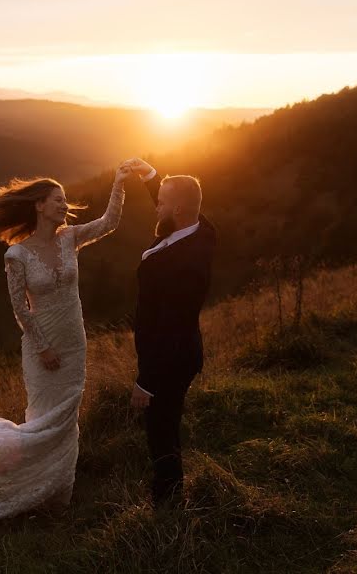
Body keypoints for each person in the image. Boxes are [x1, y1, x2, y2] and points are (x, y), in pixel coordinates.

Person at [0, 167, 131, 527]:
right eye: (57, 200)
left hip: (74, 342)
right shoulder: (17, 254)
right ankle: (25, 487)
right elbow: (19, 309)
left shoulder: (71, 237)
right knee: (43, 419)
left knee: (67, 420)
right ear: (40, 206)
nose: (65, 205)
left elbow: (109, 223)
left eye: (64, 200)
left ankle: (59, 493)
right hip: (41, 347)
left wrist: (119, 185)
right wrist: (43, 348)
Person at [120, 157, 216, 508]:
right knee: (166, 422)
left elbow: (171, 326)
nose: (155, 204)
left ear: (176, 207)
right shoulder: (201, 230)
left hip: (171, 358)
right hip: (176, 353)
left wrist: (147, 380)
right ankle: (170, 489)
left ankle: (168, 500)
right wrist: (151, 176)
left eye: (160, 199)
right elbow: (174, 204)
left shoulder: (183, 263)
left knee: (160, 427)